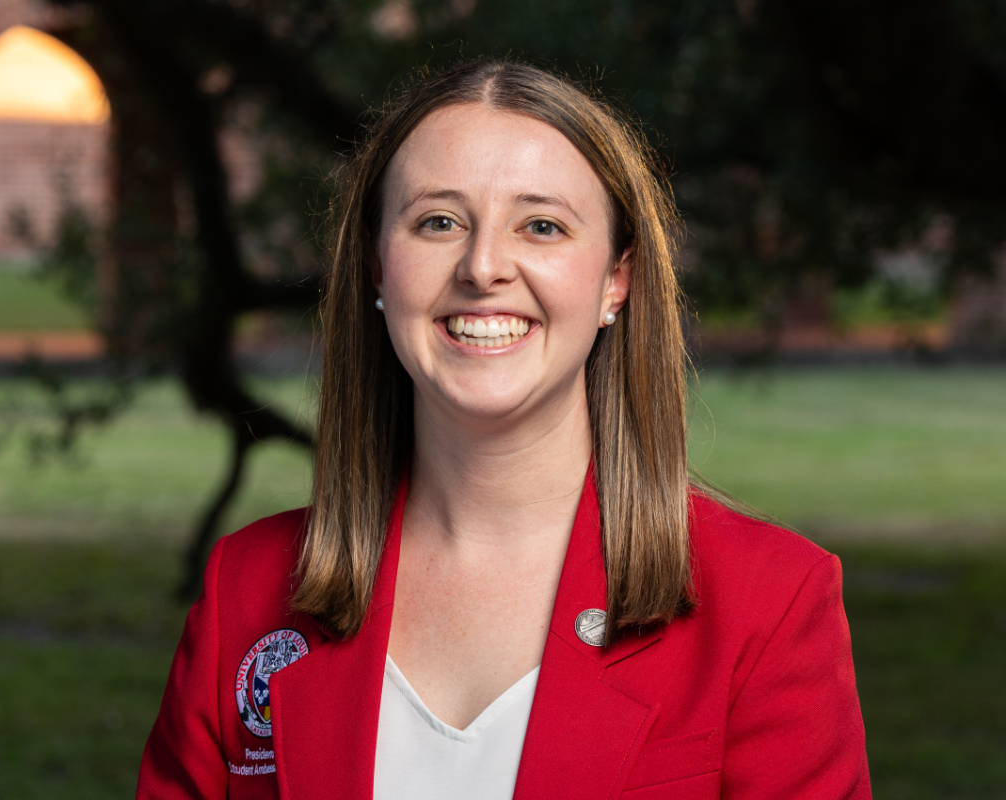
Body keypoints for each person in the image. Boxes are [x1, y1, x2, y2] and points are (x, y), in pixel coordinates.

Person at [136, 59, 871, 800]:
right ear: (375, 267)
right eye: (439, 222)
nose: (483, 266)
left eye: (542, 226)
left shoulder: (769, 603)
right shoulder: (248, 590)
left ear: (616, 279)